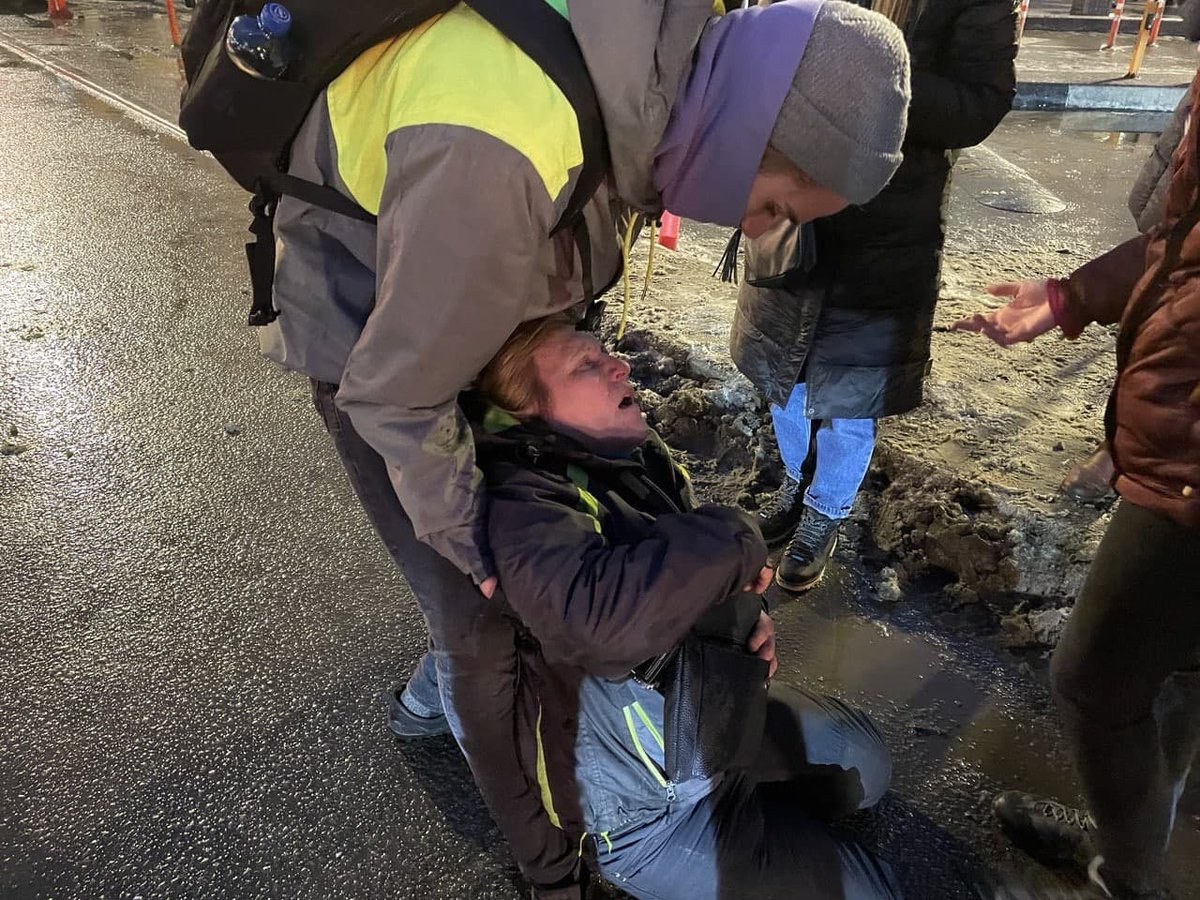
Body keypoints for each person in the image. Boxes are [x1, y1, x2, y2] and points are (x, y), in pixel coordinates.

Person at [275, 0, 911, 894]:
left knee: (552, 530)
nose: (759, 229)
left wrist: (717, 615)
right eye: (772, 202)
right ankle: (552, 859)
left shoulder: (657, 80)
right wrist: (479, 557)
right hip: (374, 342)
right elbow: (397, 391)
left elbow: (545, 248)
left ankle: (439, 690)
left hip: (477, 292)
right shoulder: (502, 144)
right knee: (487, 619)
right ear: (750, 132)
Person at [468, 313, 901, 899]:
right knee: (880, 890)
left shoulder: (630, 453)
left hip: (710, 715)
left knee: (868, 766)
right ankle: (644, 860)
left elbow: (682, 582)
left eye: (603, 352)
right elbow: (595, 624)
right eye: (585, 366)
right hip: (644, 808)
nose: (618, 364)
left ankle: (750, 816)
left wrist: (747, 618)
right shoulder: (523, 502)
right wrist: (737, 541)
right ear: (529, 411)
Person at [952, 64, 1200, 900]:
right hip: (1174, 436)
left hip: (1189, 465)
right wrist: (1072, 296)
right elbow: (1184, 246)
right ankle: (1132, 845)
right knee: (1175, 671)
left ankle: (1123, 879)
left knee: (1093, 680)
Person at [729, 0, 1015, 591]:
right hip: (792, 212)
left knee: (850, 399)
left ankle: (826, 510)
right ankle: (794, 482)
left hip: (886, 229)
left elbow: (976, 107)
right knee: (785, 376)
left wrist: (869, 68)